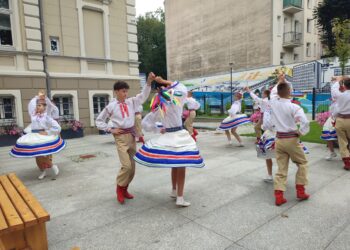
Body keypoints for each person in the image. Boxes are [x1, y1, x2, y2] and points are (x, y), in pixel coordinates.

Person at [134, 76, 205, 207]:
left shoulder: (160, 106)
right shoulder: (176, 100)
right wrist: (164, 81)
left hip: (168, 135)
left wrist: (157, 129)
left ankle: (174, 191)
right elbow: (182, 88)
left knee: (174, 164)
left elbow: (145, 123)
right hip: (178, 135)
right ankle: (180, 197)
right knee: (181, 166)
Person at [95, 73, 154, 204]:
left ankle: (125, 189)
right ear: (116, 92)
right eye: (123, 91)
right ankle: (119, 188)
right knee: (126, 166)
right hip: (120, 137)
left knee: (132, 167)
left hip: (131, 136)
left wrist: (148, 82)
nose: (125, 93)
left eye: (126, 91)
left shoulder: (131, 102)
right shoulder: (111, 106)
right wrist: (110, 129)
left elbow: (143, 96)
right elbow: (99, 121)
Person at [263, 82, 310, 206]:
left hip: (279, 139)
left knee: (281, 168)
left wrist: (280, 81)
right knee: (302, 163)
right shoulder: (294, 107)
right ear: (289, 92)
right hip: (291, 139)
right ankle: (300, 191)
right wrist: (300, 132)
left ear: (278, 92)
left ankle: (279, 196)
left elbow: (273, 92)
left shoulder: (273, 102)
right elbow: (305, 122)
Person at [10, 98, 65, 179]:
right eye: (36, 106)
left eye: (39, 105)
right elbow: (30, 105)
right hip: (33, 135)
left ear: (44, 107)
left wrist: (47, 132)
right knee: (37, 156)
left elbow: (57, 127)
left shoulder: (47, 117)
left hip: (42, 136)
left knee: (43, 155)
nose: (37, 107)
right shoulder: (33, 115)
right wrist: (36, 98)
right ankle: (43, 171)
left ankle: (52, 166)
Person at [332, 77, 350, 171]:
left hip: (340, 119)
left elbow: (336, 109)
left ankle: (347, 163)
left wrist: (338, 79)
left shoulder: (340, 95)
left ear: (344, 86)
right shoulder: (341, 94)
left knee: (342, 142)